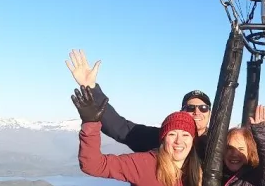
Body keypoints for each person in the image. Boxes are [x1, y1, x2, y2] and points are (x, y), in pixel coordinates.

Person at [73, 86, 200, 186]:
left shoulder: (200, 171)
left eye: (185, 135)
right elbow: (93, 165)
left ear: (193, 140)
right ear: (162, 139)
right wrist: (90, 123)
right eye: (172, 134)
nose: (179, 141)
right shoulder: (144, 164)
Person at [64, 49, 211, 154]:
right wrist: (91, 88)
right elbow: (119, 127)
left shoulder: (219, 144)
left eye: (203, 108)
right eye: (191, 107)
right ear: (181, 112)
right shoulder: (162, 139)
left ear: (210, 113)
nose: (197, 111)